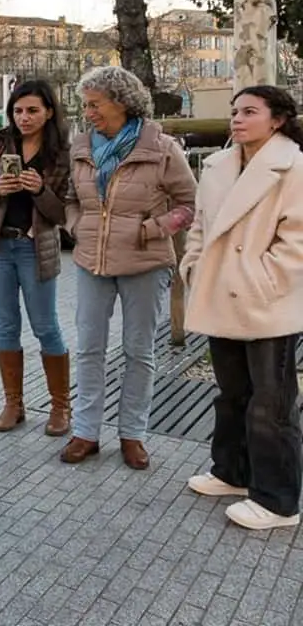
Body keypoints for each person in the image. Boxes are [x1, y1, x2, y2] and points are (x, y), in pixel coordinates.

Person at [61, 66, 197, 470]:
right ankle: (85, 431)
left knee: (139, 352)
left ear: (120, 102)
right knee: (88, 349)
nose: (88, 112)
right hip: (92, 262)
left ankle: (133, 434)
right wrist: (77, 227)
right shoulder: (80, 146)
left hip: (145, 263)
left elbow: (189, 204)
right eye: (85, 104)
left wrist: (152, 229)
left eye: (94, 104)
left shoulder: (162, 147)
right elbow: (71, 198)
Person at [181, 85, 303, 530]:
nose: (237, 118)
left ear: (277, 120)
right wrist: (193, 266)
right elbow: (200, 225)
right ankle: (232, 473)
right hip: (220, 293)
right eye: (235, 111)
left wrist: (262, 280)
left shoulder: (293, 166)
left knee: (272, 404)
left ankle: (278, 501)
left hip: (267, 303)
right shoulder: (218, 165)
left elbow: (298, 241)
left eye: (249, 111)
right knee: (232, 394)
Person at [0, 80, 72, 436]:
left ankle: (60, 407)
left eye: (33, 111)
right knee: (6, 325)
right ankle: (13, 403)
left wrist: (39, 189)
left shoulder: (61, 152)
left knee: (46, 327)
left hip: (36, 249)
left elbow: (62, 213)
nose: (24, 118)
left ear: (49, 112)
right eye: (18, 110)